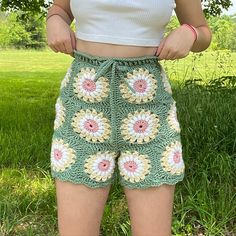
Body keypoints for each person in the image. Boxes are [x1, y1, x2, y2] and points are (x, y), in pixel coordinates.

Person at [46, 0, 212, 235]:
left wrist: (190, 32)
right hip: (83, 102)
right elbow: (59, 9)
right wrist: (54, 20)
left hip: (149, 108)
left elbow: (203, 32)